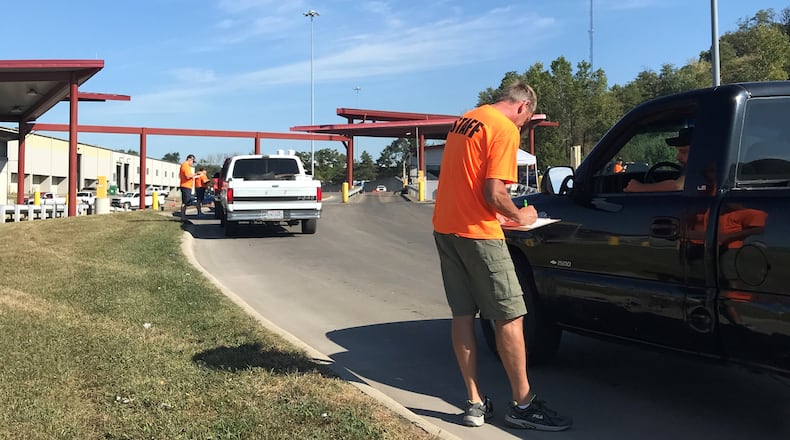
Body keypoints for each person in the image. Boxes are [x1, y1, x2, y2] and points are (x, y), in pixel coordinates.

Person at [432, 81, 572, 431]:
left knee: (462, 315)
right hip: (479, 235)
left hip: (446, 228)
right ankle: (523, 405)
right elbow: (494, 192)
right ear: (523, 107)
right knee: (510, 316)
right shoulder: (504, 128)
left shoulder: (466, 119)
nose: (522, 128)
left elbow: (467, 182)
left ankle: (474, 403)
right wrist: (520, 216)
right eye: (525, 122)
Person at [624, 128, 692, 192]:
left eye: (684, 152)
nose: (678, 157)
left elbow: (678, 186)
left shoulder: (697, 168)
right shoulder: (692, 170)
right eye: (679, 151)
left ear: (697, 151)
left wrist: (638, 187)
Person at [179, 154, 197, 220]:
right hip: (185, 186)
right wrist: (195, 174)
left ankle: (183, 216)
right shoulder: (185, 165)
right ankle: (183, 217)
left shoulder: (185, 166)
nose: (192, 163)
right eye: (192, 161)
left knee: (186, 202)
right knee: (185, 202)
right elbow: (187, 176)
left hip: (187, 186)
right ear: (190, 159)